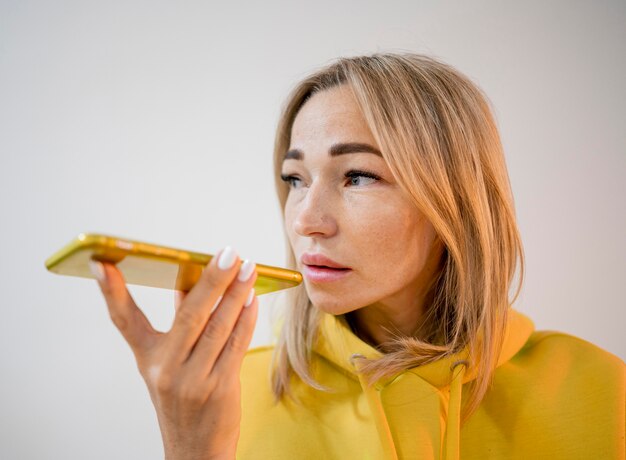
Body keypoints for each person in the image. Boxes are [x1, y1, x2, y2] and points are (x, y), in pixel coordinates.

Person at [89, 53, 625, 459]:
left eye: (359, 175)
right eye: (295, 179)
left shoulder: (603, 392)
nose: (305, 220)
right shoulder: (231, 398)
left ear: (455, 202)